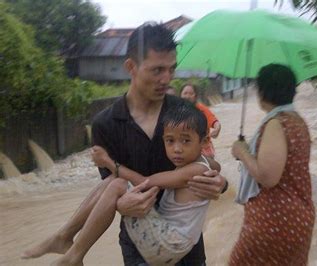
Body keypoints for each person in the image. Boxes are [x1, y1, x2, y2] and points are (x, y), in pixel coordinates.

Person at [22, 22, 227, 265]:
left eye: (171, 69)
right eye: (157, 70)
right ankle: (66, 240)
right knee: (114, 182)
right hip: (140, 247)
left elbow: (207, 161)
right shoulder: (105, 124)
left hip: (187, 250)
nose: (166, 78)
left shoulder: (184, 113)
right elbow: (108, 189)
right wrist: (121, 204)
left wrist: (220, 183)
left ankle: (66, 241)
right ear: (131, 67)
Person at [52, 102, 216, 266]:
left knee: (118, 185)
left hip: (171, 245)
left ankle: (73, 254)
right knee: (113, 184)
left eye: (186, 141)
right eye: (170, 141)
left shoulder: (194, 170)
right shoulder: (194, 164)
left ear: (204, 142)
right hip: (171, 242)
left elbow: (144, 182)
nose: (177, 149)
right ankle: (67, 239)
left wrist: (108, 162)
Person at [230, 64, 315, 265]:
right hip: (297, 218)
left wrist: (242, 152)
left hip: (275, 221)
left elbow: (268, 177)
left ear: (262, 91)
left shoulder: (277, 123)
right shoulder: (297, 121)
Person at [181, 84, 221, 158]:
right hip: (185, 148)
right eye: (185, 93)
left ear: (195, 96)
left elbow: (214, 121)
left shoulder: (201, 109)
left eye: (191, 94)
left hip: (203, 148)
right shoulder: (177, 110)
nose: (187, 96)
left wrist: (217, 129)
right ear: (180, 95)